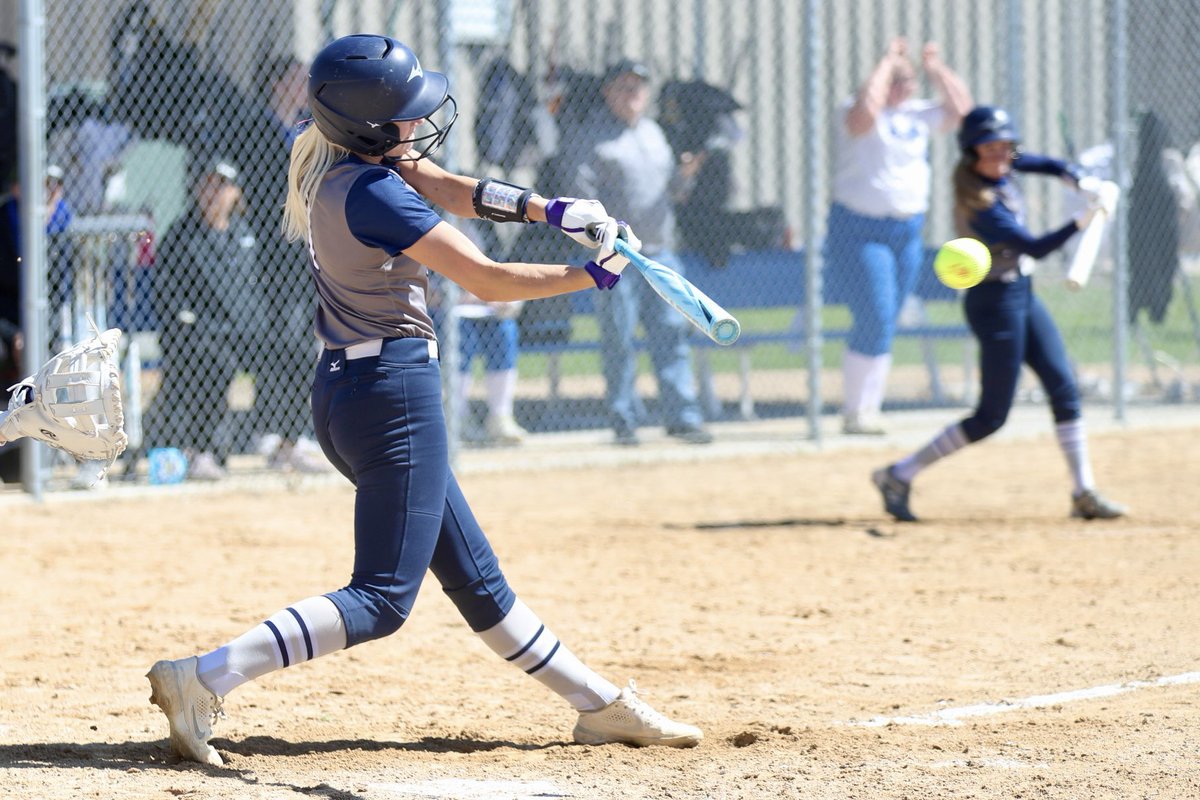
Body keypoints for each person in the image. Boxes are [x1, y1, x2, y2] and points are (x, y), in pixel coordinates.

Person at [145, 34, 702, 766]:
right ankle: (204, 677)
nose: (417, 119)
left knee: (478, 584)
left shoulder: (344, 163)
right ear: (370, 123)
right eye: (402, 111)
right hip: (393, 402)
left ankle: (597, 705)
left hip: (355, 395)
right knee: (380, 600)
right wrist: (589, 277)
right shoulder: (373, 194)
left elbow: (448, 184)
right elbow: (489, 282)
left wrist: (553, 209)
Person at [871, 106, 1127, 523]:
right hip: (994, 303)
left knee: (1063, 386)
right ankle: (899, 474)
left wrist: (1082, 180)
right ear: (972, 152)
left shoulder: (1005, 163)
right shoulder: (981, 202)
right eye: (990, 148)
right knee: (991, 416)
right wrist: (1085, 216)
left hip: (1021, 292)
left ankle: (1084, 491)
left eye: (1005, 145)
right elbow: (1036, 247)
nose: (1001, 154)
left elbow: (1048, 164)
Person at [823, 37, 972, 435]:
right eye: (896, 80)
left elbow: (963, 111)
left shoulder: (917, 115)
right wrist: (888, 61)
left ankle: (868, 408)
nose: (904, 86)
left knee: (887, 317)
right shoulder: (853, 110)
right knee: (876, 311)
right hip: (859, 228)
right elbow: (863, 115)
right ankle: (856, 411)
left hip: (905, 230)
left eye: (909, 81)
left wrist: (935, 69)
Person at [562, 58, 712, 446]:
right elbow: (580, 198)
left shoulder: (655, 133)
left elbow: (673, 193)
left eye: (639, 88)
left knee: (671, 332)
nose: (633, 95)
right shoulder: (592, 136)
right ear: (608, 91)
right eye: (625, 87)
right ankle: (624, 418)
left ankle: (683, 417)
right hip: (617, 255)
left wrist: (687, 175)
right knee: (619, 338)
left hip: (661, 252)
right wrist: (604, 238)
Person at [143, 157, 265, 481]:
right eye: (208, 186)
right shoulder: (181, 235)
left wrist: (253, 327)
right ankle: (201, 449)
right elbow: (167, 294)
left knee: (289, 350)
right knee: (213, 362)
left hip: (241, 332)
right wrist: (192, 323)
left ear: (235, 193)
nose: (214, 193)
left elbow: (253, 292)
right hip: (195, 334)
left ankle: (277, 438)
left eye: (222, 186)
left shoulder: (243, 233)